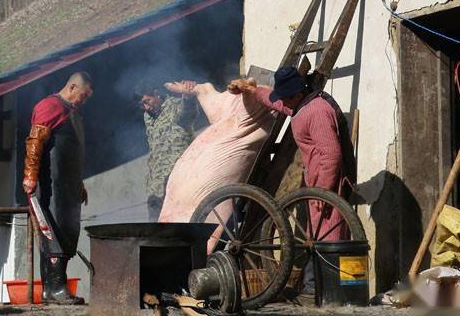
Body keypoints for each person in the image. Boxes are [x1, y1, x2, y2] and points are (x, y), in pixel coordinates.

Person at [229, 66, 353, 241]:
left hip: (328, 184)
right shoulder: (300, 106)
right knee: (317, 236)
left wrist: (324, 191)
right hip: (316, 182)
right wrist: (252, 90)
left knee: (329, 238)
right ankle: (316, 267)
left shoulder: (317, 111)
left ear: (296, 95)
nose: (283, 102)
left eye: (285, 98)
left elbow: (331, 155)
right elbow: (278, 104)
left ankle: (328, 268)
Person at [155, 80, 272, 248]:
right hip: (185, 180)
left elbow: (252, 95)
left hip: (204, 185)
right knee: (173, 215)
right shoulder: (228, 107)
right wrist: (187, 89)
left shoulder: (253, 112)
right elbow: (203, 90)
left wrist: (246, 89)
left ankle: (186, 250)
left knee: (188, 219)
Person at [23, 71, 93, 304]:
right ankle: (55, 288)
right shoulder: (50, 106)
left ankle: (52, 290)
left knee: (66, 230)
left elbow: (71, 154)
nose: (83, 102)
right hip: (50, 185)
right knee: (52, 232)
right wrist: (30, 175)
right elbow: (35, 142)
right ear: (72, 88)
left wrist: (79, 183)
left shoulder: (72, 113)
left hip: (68, 186)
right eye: (82, 96)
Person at [135, 89, 195, 221]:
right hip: (156, 185)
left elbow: (188, 113)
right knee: (155, 227)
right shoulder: (148, 116)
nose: (146, 107)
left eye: (147, 101)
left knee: (181, 222)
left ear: (156, 93)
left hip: (178, 179)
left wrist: (188, 98)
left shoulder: (176, 105)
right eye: (142, 105)